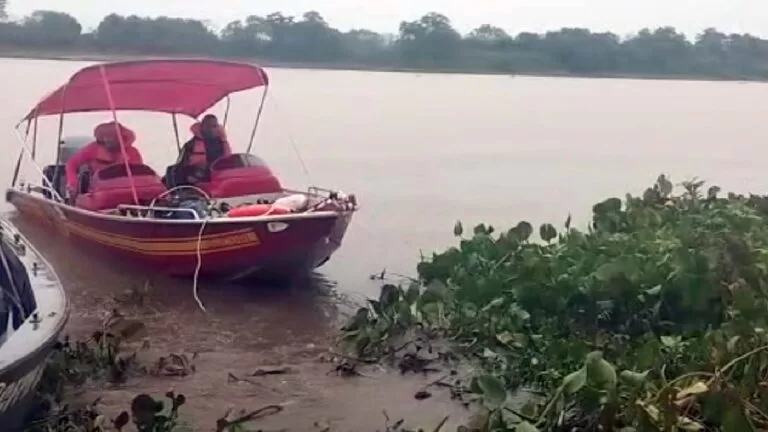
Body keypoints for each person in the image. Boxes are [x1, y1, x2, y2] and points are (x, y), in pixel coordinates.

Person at [65, 121, 143, 197]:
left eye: (111, 137)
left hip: (126, 192)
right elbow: (71, 163)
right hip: (98, 192)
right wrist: (72, 182)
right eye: (105, 137)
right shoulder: (93, 149)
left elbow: (139, 174)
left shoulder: (132, 152)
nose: (107, 140)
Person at [166, 114, 231, 186]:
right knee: (171, 170)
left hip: (219, 174)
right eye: (208, 126)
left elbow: (230, 160)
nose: (211, 129)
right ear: (202, 126)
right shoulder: (191, 144)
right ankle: (177, 194)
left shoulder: (223, 143)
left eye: (214, 126)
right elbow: (181, 164)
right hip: (198, 175)